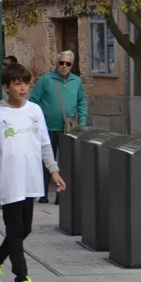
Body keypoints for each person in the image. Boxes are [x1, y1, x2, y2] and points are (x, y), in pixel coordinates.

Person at [0, 63, 66, 282]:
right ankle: (22, 279)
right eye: (17, 83)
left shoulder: (35, 110)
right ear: (6, 87)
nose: (23, 88)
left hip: (31, 178)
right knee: (15, 229)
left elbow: (45, 145)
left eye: (26, 83)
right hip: (8, 181)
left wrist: (54, 172)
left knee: (24, 229)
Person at [28, 50, 87, 204]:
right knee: (47, 160)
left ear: (71, 65)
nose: (64, 66)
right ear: (57, 64)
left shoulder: (77, 82)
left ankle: (61, 194)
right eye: (61, 63)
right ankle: (43, 193)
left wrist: (82, 123)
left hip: (68, 129)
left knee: (65, 161)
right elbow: (34, 100)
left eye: (68, 64)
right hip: (47, 128)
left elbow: (81, 102)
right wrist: (36, 122)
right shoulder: (46, 79)